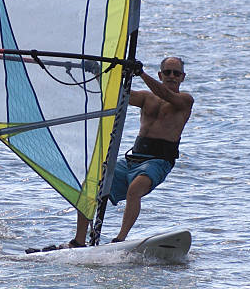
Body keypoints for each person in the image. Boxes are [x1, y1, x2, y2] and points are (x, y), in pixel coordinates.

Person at [64, 56, 194, 248]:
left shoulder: (185, 100)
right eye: (167, 72)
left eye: (176, 73)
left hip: (158, 161)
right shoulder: (146, 98)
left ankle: (120, 240)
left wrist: (140, 73)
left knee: (135, 188)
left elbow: (167, 96)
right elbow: (116, 94)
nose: (172, 76)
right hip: (132, 159)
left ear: (183, 77)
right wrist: (97, 73)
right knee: (90, 185)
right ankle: (79, 241)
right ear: (160, 74)